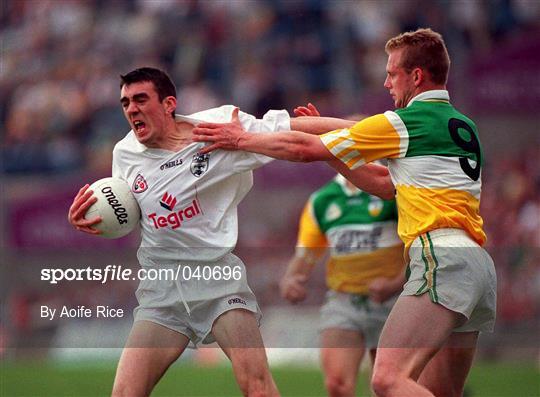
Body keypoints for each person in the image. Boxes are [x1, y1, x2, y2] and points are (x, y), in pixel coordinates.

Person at [192, 28, 497, 397]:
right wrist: (339, 150)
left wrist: (240, 139)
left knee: (387, 379)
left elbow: (305, 149)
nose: (385, 82)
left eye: (392, 73)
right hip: (477, 265)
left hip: (440, 257)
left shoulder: (407, 123)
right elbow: (385, 183)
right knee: (439, 391)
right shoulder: (462, 125)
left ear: (416, 76)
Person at [67, 67, 391, 397]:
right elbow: (128, 213)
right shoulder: (125, 153)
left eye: (140, 99)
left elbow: (289, 127)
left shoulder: (217, 128)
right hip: (162, 288)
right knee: (125, 393)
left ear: (168, 104)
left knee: (257, 386)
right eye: (125, 103)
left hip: (218, 282)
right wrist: (92, 220)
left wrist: (371, 131)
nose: (131, 109)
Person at [280, 173, 404, 397]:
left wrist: (395, 284)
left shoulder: (393, 186)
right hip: (345, 301)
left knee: (386, 385)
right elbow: (305, 253)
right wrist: (291, 278)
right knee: (337, 384)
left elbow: (420, 246)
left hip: (396, 302)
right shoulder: (323, 199)